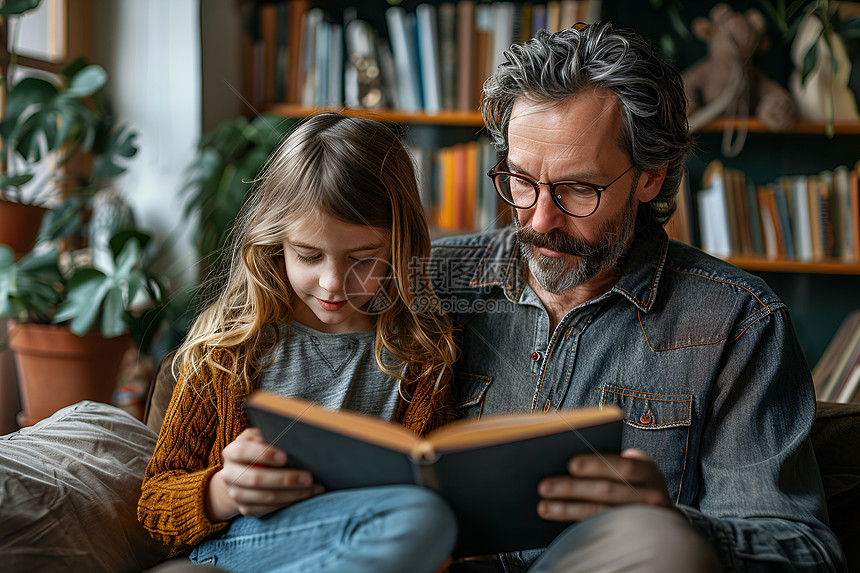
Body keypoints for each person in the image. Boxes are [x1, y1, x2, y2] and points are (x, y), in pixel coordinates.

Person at [431, 22, 848, 573]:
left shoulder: (737, 321)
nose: (539, 218)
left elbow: (806, 555)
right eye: (520, 179)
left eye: (578, 188)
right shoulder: (439, 277)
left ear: (651, 176)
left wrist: (673, 524)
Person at [138, 113, 459, 573]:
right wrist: (225, 491)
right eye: (309, 255)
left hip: (370, 541)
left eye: (363, 259)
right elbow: (153, 507)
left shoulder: (423, 355)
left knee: (426, 521)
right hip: (240, 545)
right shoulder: (228, 348)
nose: (332, 283)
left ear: (399, 246)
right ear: (275, 243)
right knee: (421, 520)